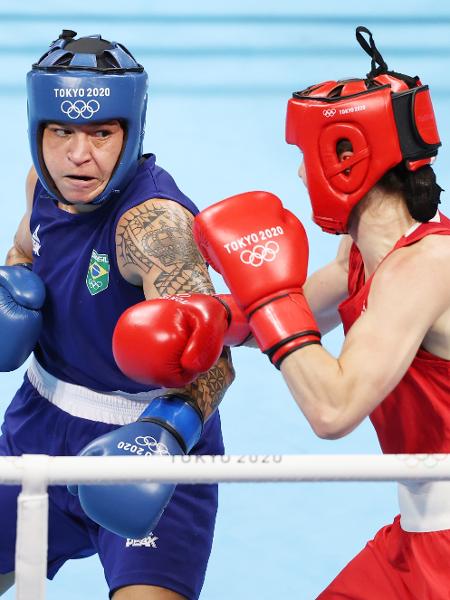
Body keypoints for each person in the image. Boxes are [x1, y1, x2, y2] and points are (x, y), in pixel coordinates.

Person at [137, 27, 450, 598]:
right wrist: (213, 320)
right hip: (417, 533)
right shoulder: (362, 256)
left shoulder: (425, 267)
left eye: (305, 157)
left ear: (347, 161)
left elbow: (332, 407)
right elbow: (298, 315)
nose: (301, 175)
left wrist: (266, 298)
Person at [0, 30, 237, 600]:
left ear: (130, 131)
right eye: (61, 132)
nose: (80, 155)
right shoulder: (43, 185)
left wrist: (162, 435)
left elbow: (213, 361)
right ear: (39, 130)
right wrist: (11, 289)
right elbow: (24, 251)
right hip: (39, 421)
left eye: (101, 133)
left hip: (145, 442)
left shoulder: (154, 227)